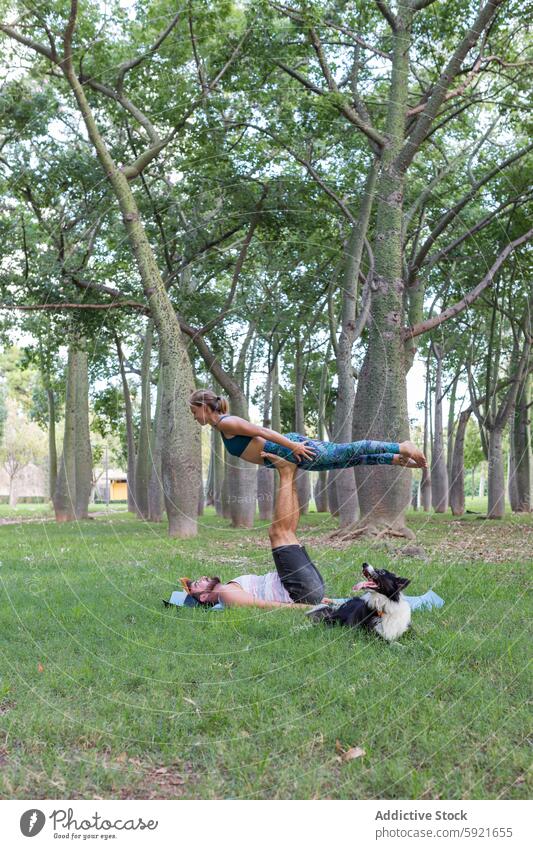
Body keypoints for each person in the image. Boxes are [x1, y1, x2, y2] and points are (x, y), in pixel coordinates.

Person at [182, 454, 326, 609]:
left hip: (303, 587)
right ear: (203, 597)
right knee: (278, 533)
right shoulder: (225, 593)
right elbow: (265, 606)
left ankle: (290, 473)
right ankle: (286, 471)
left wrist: (320, 600)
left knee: (288, 532)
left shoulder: (229, 588)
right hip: (299, 590)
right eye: (198, 583)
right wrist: (309, 607)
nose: (203, 577)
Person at [189, 388, 427, 471]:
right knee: (345, 461)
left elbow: (262, 431)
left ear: (203, 407)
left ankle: (401, 446)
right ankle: (396, 458)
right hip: (290, 455)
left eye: (193, 411)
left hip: (291, 448)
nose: (194, 416)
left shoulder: (226, 423)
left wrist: (292, 445)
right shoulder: (221, 427)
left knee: (343, 452)